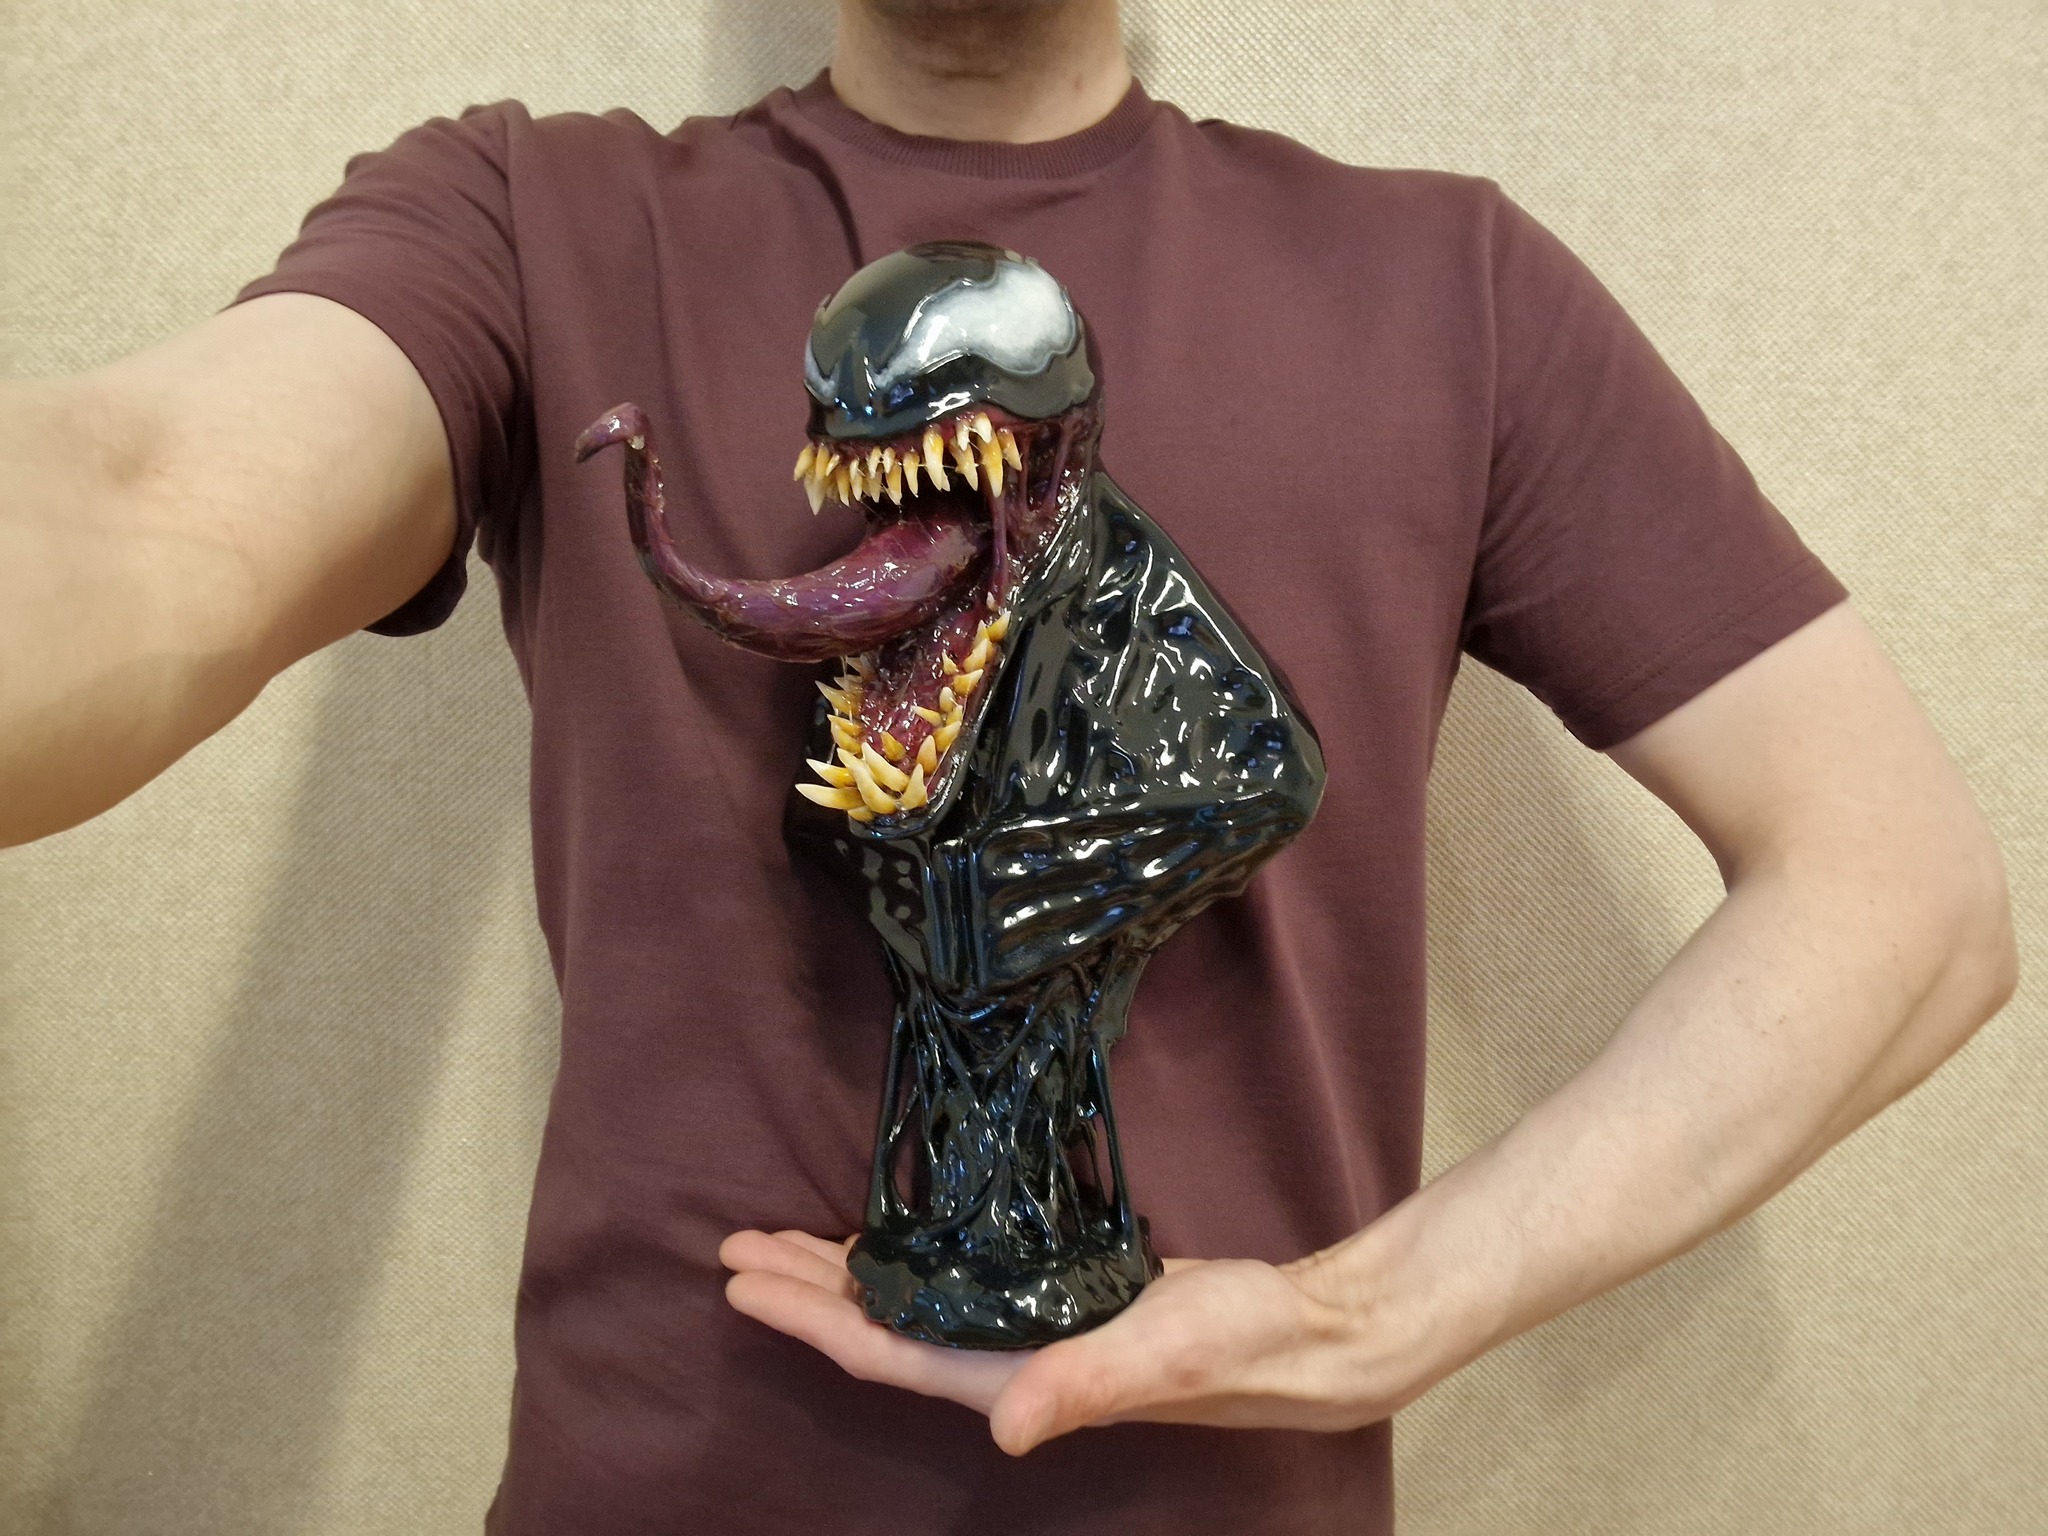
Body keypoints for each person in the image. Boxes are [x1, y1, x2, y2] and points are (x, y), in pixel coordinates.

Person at [0, 1, 2016, 1531]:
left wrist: (1371, 1317)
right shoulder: (525, 221)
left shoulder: (1455, 286)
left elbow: (1901, 899)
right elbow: (144, 497)